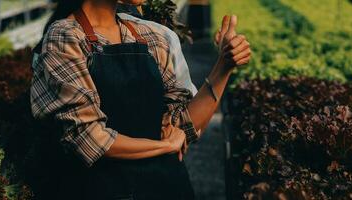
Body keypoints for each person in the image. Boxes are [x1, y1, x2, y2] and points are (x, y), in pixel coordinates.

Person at [30, 0, 251, 199]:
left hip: (168, 188)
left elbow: (183, 125)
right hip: (105, 189)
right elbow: (88, 138)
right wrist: (164, 146)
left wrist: (223, 67)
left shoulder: (150, 36)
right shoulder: (65, 37)